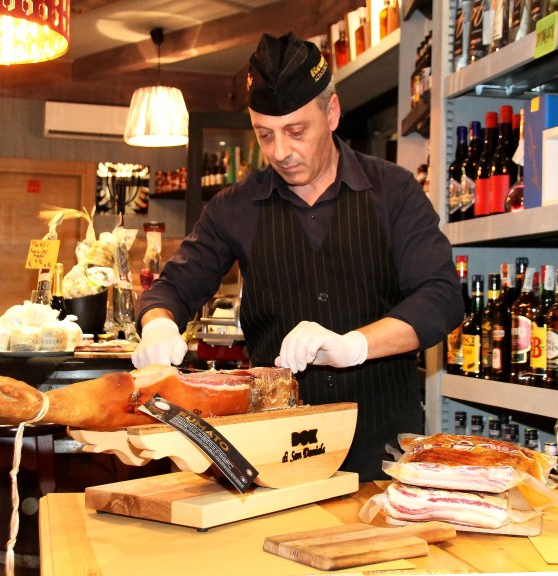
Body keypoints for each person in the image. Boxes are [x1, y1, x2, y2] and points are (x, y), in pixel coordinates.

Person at [132, 31, 464, 481]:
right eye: (265, 135)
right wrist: (159, 323)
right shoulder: (234, 207)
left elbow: (441, 297)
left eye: (296, 131)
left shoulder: (394, 191)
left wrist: (355, 345)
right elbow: (173, 288)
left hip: (381, 451)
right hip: (274, 451)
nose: (281, 152)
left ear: (331, 112)